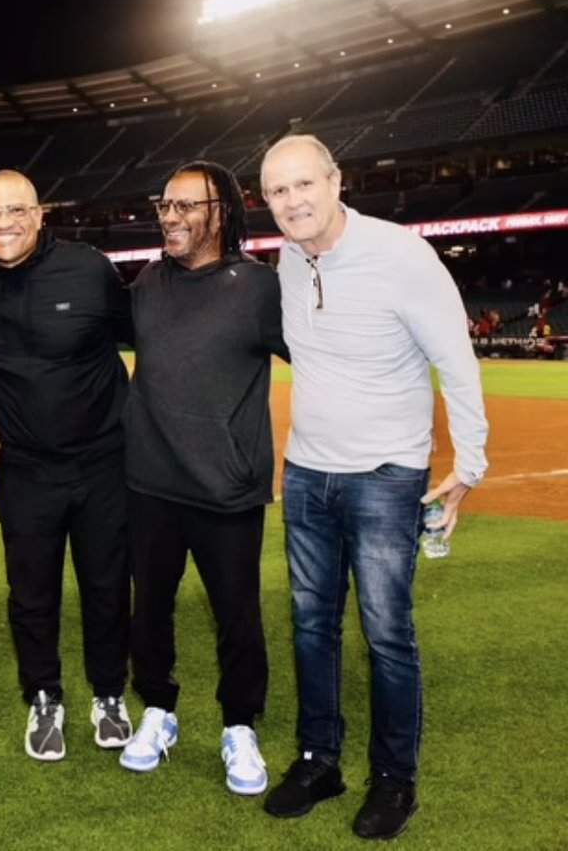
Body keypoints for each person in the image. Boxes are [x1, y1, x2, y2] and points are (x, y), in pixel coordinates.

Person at [258, 134, 488, 840]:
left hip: (388, 475)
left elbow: (456, 358)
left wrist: (469, 464)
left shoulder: (401, 255)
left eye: (304, 184)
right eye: (277, 191)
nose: (293, 201)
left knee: (387, 633)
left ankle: (395, 779)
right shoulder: (287, 261)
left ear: (335, 180)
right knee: (310, 625)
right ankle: (318, 759)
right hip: (306, 472)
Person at [0, 169, 134, 762]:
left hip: (104, 462)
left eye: (16, 211)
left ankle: (108, 693)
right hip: (24, 468)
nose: (4, 224)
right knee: (31, 594)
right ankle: (44, 695)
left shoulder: (89, 268)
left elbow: (145, 337)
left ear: (40, 213)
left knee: (106, 586)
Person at [118, 161, 288, 796]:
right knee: (150, 611)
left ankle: (239, 724)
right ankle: (157, 710)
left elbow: (322, 355)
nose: (171, 216)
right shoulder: (146, 282)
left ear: (224, 212)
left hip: (227, 489)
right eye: (166, 205)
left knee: (237, 616)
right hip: (151, 483)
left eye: (187, 205)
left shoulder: (259, 288)